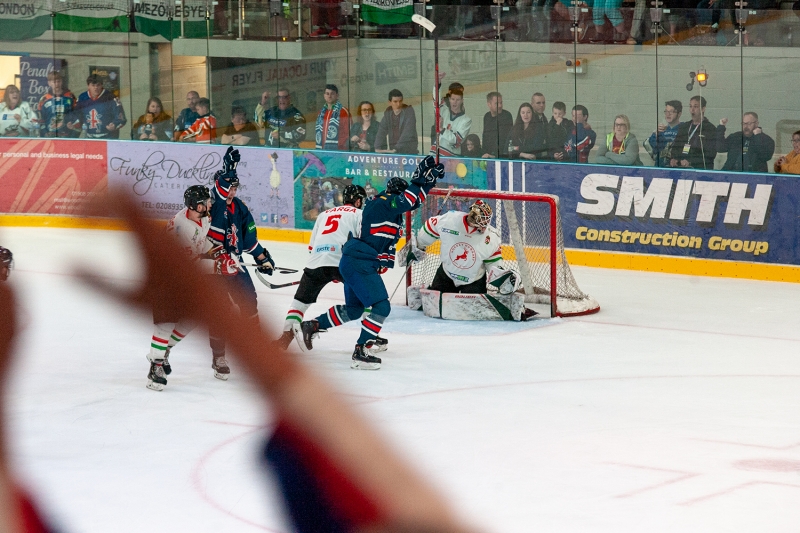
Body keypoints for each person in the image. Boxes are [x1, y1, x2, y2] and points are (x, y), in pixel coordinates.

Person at [298, 156, 443, 370]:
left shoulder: (387, 207)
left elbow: (414, 201)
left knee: (354, 309)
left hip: (355, 261)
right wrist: (419, 179)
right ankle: (361, 351)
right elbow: (408, 200)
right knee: (382, 306)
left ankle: (313, 325)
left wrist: (429, 182)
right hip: (359, 262)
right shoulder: (383, 202)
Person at [146, 185, 236, 390]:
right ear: (197, 205)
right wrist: (219, 266)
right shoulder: (181, 227)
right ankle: (155, 367)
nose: (210, 204)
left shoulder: (203, 218)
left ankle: (163, 351)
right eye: (207, 202)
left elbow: (200, 242)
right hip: (164, 278)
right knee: (166, 323)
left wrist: (217, 251)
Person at [207, 147, 276, 379]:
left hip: (236, 264)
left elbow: (248, 239)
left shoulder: (240, 207)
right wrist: (229, 170)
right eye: (229, 187)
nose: (232, 191)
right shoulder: (213, 205)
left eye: (235, 188)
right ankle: (219, 356)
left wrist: (262, 258)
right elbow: (219, 192)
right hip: (214, 267)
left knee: (249, 302)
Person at [277, 184, 368, 349]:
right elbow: (360, 244)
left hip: (316, 262)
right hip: (343, 262)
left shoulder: (324, 214)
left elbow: (311, 247)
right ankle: (369, 337)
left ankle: (285, 338)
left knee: (299, 303)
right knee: (367, 298)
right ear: (358, 201)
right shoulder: (359, 214)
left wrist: (323, 269)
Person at [418, 200, 502, 295]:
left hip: (474, 281)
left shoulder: (491, 236)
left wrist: (501, 278)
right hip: (446, 275)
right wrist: (419, 245)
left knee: (474, 306)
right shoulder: (450, 220)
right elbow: (431, 225)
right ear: (476, 217)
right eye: (484, 219)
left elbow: (493, 262)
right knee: (436, 302)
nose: (486, 223)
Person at [69, 74, 127, 139]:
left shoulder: (111, 97)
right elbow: (76, 115)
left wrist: (115, 124)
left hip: (109, 137)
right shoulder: (82, 97)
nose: (96, 88)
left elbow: (121, 118)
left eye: (98, 85)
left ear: (102, 85)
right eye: (93, 85)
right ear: (88, 86)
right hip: (89, 137)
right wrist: (73, 123)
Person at [668, 95, 717, 170]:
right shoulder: (684, 127)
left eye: (695, 107)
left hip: (700, 170)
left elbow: (710, 154)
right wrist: (674, 158)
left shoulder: (710, 129)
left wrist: (691, 161)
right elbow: (676, 147)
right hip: (681, 168)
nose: (692, 110)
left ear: (703, 109)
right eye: (690, 106)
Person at [431, 84, 472, 157]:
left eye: (457, 100)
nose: (455, 102)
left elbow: (456, 140)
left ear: (462, 101)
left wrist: (442, 130)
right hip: (434, 155)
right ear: (449, 99)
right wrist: (438, 82)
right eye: (453, 99)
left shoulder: (466, 120)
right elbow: (436, 101)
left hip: (451, 159)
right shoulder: (444, 111)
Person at [374, 89, 418, 155]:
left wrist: (396, 148)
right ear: (389, 102)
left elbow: (408, 133)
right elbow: (381, 131)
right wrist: (377, 147)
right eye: (395, 101)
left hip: (408, 153)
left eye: (400, 101)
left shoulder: (409, 111)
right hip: (394, 152)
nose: (398, 104)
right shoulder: (388, 114)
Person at [36, 71, 78, 139]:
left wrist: (73, 133)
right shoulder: (44, 99)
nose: (57, 84)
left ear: (61, 82)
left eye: (58, 81)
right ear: (49, 83)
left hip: (67, 136)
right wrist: (45, 133)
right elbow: (41, 119)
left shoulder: (70, 96)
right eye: (54, 82)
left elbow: (77, 115)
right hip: (49, 136)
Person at [646, 100, 683, 167]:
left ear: (679, 114)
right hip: (660, 168)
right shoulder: (660, 130)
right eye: (666, 111)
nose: (668, 114)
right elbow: (653, 152)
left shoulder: (685, 128)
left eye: (671, 111)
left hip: (676, 168)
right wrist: (656, 135)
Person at [315, 84, 351, 151]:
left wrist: (339, 145)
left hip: (339, 151)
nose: (329, 96)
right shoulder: (321, 113)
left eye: (332, 93)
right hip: (322, 151)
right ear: (324, 96)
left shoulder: (343, 111)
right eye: (327, 93)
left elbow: (348, 133)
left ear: (337, 96)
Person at [481, 91, 513, 158]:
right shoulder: (487, 117)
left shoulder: (506, 116)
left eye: (501, 103)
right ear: (489, 104)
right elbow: (485, 137)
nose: (500, 105)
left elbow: (506, 139)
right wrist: (484, 154)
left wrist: (495, 156)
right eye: (497, 103)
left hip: (502, 156)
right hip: (488, 155)